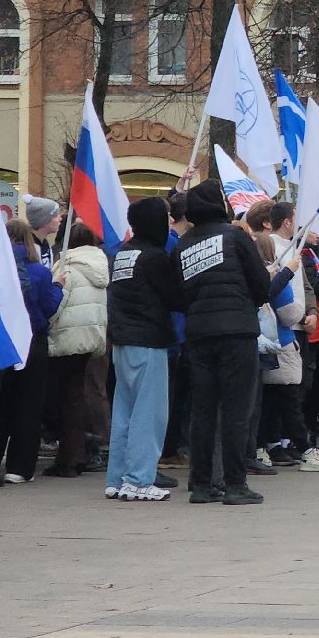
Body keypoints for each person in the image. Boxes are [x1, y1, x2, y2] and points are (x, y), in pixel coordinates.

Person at [175, 180, 274, 505]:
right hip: (237, 333)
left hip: (199, 335)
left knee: (203, 410)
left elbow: (177, 294)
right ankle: (235, 484)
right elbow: (261, 286)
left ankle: (201, 484)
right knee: (236, 410)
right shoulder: (235, 236)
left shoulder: (184, 244)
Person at [105, 198, 183, 500]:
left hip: (123, 342)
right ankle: (138, 480)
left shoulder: (124, 254)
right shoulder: (153, 258)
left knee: (125, 413)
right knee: (149, 415)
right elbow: (175, 297)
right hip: (148, 341)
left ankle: (118, 477)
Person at [43, 224, 111, 478]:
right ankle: (79, 453)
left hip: (66, 338)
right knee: (76, 397)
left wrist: (47, 323)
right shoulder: (99, 267)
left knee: (61, 400)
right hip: (89, 338)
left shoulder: (67, 267)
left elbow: (56, 304)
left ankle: (69, 458)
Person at [0, 217, 63, 485]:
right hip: (33, 341)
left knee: (0, 404)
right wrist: (58, 287)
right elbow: (49, 307)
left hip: (3, 341)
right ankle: (20, 467)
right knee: (29, 406)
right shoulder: (39, 272)